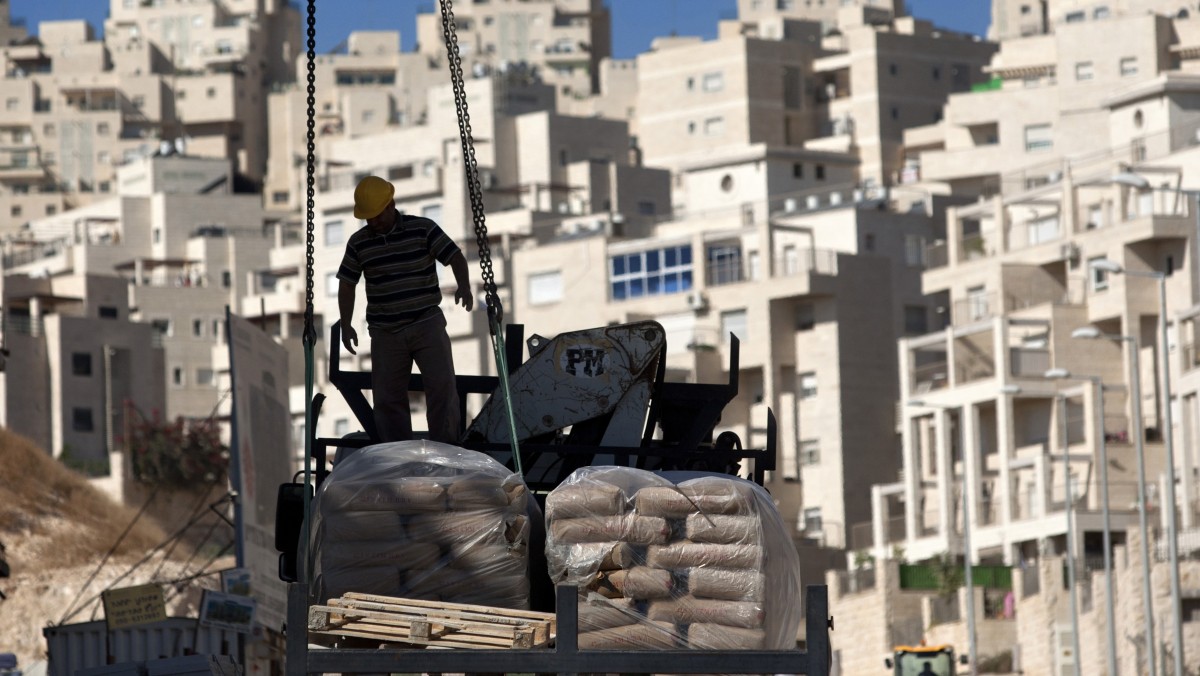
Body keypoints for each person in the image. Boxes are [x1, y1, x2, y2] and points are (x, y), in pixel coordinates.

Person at [337, 175, 474, 443]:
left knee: (442, 388)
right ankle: (397, 453)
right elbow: (347, 283)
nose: (373, 222)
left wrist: (464, 286)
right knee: (387, 398)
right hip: (385, 331)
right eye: (368, 218)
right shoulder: (358, 243)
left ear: (391, 205)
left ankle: (445, 448)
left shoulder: (422, 229)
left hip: (426, 323)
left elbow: (454, 256)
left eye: (377, 215)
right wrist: (345, 323)